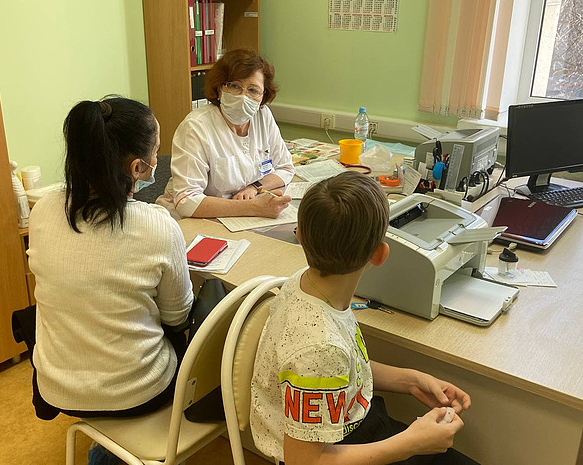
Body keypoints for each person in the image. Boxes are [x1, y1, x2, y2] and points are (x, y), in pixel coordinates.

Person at [250, 171, 479, 465]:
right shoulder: (319, 346)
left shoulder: (306, 284)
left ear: (300, 236)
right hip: (333, 449)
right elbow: (303, 461)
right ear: (380, 254)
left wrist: (411, 381)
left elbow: (341, 370)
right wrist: (411, 443)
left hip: (352, 427)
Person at [28, 97, 194, 426]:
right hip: (140, 393)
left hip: (56, 389)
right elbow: (177, 316)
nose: (157, 160)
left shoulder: (43, 210)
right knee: (187, 324)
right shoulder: (158, 226)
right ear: (137, 168)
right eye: (156, 152)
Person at [156, 48, 294, 220]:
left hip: (236, 217)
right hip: (188, 221)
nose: (243, 97)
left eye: (253, 90)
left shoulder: (262, 115)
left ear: (263, 95)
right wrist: (254, 207)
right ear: (220, 88)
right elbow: (187, 201)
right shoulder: (196, 126)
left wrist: (254, 187)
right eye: (234, 86)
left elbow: (285, 167)